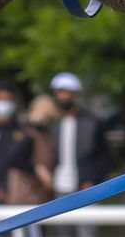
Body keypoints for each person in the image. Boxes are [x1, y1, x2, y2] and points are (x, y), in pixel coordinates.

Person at [48, 72, 111, 237]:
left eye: (66, 93)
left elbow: (105, 157)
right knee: (63, 232)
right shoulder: (53, 123)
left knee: (86, 232)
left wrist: (93, 180)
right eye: (59, 93)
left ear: (76, 95)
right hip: (59, 188)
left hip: (85, 188)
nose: (62, 97)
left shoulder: (93, 122)